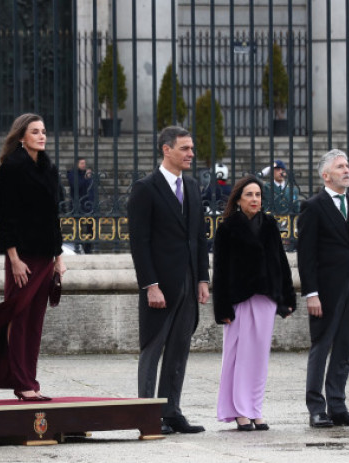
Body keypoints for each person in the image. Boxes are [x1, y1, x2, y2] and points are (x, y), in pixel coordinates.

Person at [0, 113, 66, 401]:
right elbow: (5, 219)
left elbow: (54, 217)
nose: (42, 136)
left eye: (43, 131)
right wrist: (14, 259)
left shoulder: (49, 168)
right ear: (21, 137)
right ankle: (20, 381)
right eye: (35, 132)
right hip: (23, 257)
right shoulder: (11, 169)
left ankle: (30, 379)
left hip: (45, 256)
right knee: (18, 317)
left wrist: (59, 257)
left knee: (35, 322)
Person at [128, 126, 210, 434]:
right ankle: (145, 415)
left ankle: (171, 410)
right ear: (167, 149)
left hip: (188, 284)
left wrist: (202, 278)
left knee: (179, 349)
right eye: (185, 148)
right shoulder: (145, 188)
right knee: (153, 349)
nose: (191, 154)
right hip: (160, 286)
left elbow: (198, 237)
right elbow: (140, 242)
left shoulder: (191, 186)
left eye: (191, 148)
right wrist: (150, 285)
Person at [297, 149, 349, 429]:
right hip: (327, 290)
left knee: (344, 347)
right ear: (325, 175)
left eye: (347, 165)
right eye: (340, 167)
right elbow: (306, 256)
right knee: (322, 345)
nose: (347, 170)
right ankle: (316, 408)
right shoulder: (313, 206)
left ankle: (338, 405)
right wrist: (312, 293)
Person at [212, 175, 295, 431]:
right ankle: (239, 411)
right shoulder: (227, 227)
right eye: (249, 195)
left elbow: (280, 262)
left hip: (266, 298)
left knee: (258, 358)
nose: (255, 199)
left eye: (258, 195)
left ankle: (255, 409)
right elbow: (221, 270)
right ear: (238, 199)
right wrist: (222, 307)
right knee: (238, 356)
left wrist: (287, 297)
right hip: (238, 299)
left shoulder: (269, 223)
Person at [66, 157, 95, 253]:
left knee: (90, 228)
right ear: (77, 164)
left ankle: (88, 249)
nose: (84, 165)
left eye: (84, 163)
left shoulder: (88, 174)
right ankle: (78, 248)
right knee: (77, 228)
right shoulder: (71, 174)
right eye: (81, 163)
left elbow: (91, 189)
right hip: (77, 205)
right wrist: (86, 178)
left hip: (88, 205)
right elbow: (77, 185)